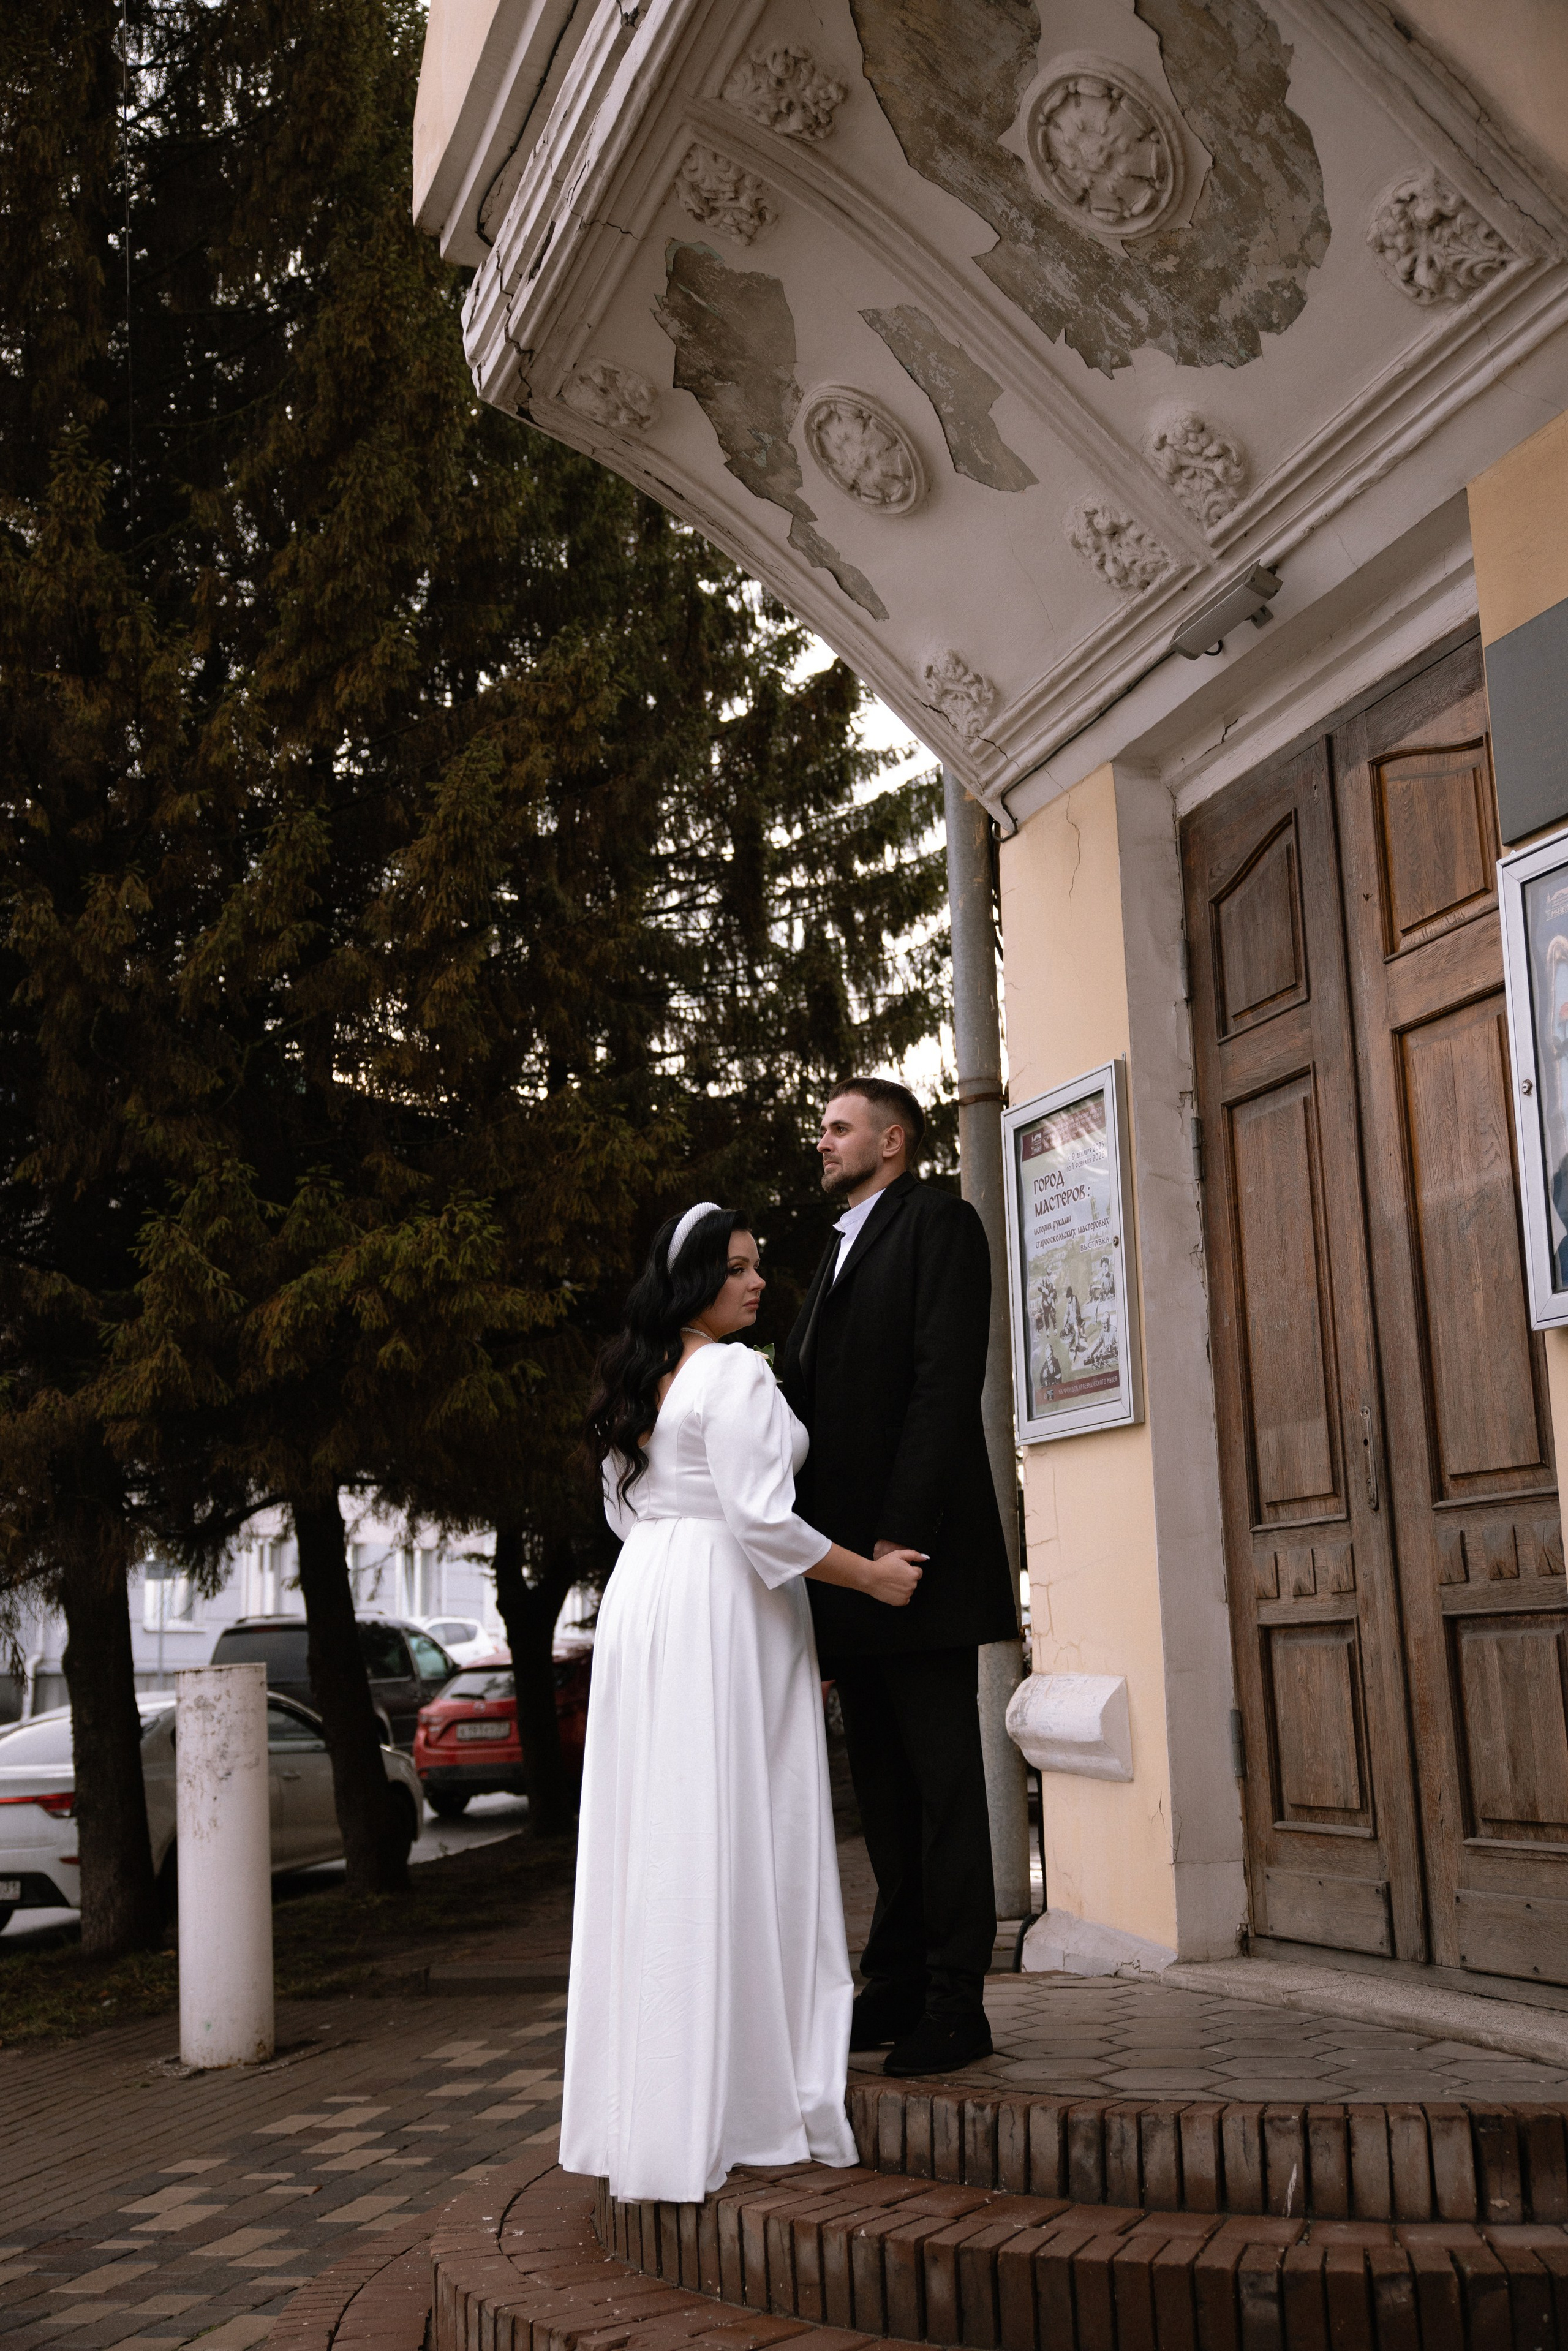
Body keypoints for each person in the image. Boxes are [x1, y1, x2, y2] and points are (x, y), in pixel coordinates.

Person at [561, 1202, 924, 2206]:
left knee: (662, 1832)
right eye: (737, 1267)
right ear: (693, 1282)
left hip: (647, 1602)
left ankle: (660, 2096)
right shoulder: (736, 1372)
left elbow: (625, 1511)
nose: (758, 1282)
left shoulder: (639, 1376)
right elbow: (767, 1522)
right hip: (724, 1602)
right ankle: (748, 2090)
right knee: (742, 1827)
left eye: (760, 1265)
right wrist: (873, 1576)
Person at [780, 1080, 1019, 2077]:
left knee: (943, 1788)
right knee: (880, 1789)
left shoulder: (940, 1223)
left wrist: (895, 1545)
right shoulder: (833, 1248)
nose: (823, 1141)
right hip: (850, 1576)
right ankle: (900, 1980)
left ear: (894, 1137)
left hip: (912, 1564)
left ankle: (960, 2001)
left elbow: (941, 1382)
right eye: (824, 1129)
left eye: (839, 1127)